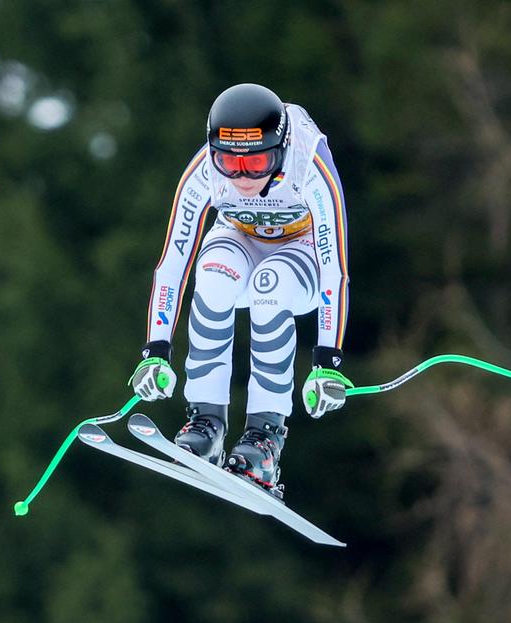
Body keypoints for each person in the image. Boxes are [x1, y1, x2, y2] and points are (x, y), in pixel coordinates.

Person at [128, 83, 351, 499]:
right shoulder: (204, 171)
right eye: (230, 162)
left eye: (257, 162)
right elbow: (173, 263)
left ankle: (265, 438)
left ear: (281, 150)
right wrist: (155, 351)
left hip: (301, 251)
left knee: (271, 286)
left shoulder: (309, 162)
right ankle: (206, 423)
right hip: (239, 236)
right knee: (213, 275)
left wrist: (327, 361)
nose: (243, 176)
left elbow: (334, 269)